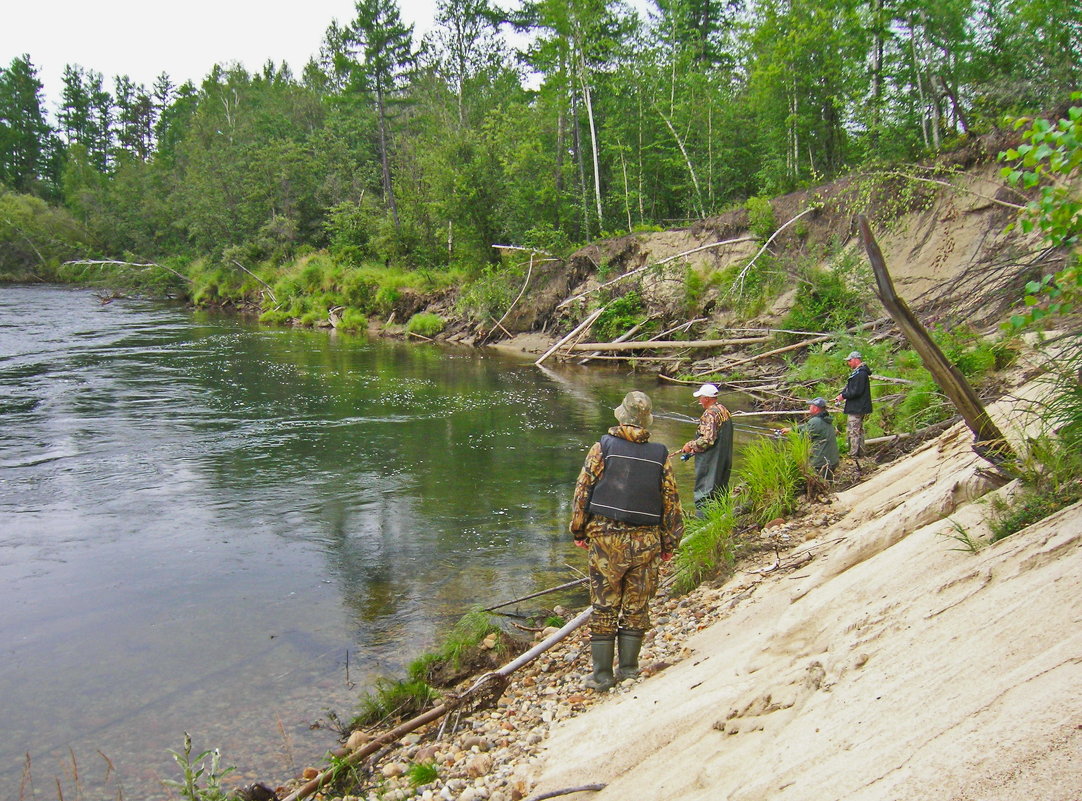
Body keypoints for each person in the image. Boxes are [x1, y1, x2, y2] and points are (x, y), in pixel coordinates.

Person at [570, 391, 684, 692]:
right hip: (647, 541)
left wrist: (579, 530)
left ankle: (602, 676)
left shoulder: (603, 447)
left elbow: (583, 491)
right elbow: (671, 502)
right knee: (637, 606)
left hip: (606, 540)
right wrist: (670, 543)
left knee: (604, 605)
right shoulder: (660, 454)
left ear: (621, 417)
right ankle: (630, 670)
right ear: (646, 421)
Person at [680, 383, 734, 511]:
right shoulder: (724, 410)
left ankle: (702, 525)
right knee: (720, 491)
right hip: (724, 459)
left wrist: (690, 445)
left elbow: (708, 440)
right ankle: (719, 520)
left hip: (710, 461)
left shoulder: (709, 414)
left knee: (705, 492)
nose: (699, 401)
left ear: (707, 398)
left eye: (701, 397)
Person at [779, 397, 840, 479]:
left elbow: (802, 439)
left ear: (815, 408)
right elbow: (806, 426)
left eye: (810, 406)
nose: (809, 408)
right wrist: (791, 429)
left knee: (820, 482)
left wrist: (790, 436)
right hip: (832, 460)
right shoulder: (825, 419)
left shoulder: (815, 421)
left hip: (821, 463)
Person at [836, 351, 872, 458]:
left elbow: (856, 391)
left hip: (857, 407)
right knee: (858, 430)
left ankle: (853, 454)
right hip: (857, 406)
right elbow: (850, 387)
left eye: (850, 361)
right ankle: (860, 453)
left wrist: (844, 396)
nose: (849, 363)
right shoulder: (858, 373)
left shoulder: (861, 373)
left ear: (856, 359)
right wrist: (842, 394)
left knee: (853, 431)